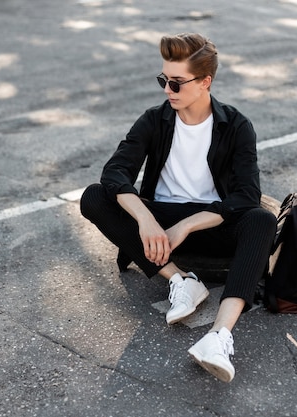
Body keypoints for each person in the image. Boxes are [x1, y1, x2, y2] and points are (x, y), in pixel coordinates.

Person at [80, 33, 276, 383]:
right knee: (93, 197)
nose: (167, 89)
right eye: (163, 80)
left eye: (175, 82)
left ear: (205, 82)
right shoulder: (155, 120)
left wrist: (185, 226)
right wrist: (145, 219)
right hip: (159, 224)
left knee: (261, 219)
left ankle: (219, 337)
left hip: (208, 223)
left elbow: (246, 194)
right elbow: (114, 173)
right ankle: (182, 281)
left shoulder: (236, 126)